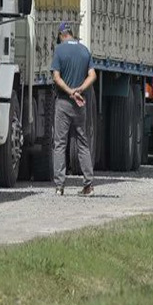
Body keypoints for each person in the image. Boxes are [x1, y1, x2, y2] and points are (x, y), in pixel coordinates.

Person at [51, 22, 97, 196]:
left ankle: (59, 186)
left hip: (63, 102)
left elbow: (56, 77)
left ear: (62, 35)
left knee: (60, 143)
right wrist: (80, 89)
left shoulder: (60, 50)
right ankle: (88, 184)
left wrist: (70, 91)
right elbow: (93, 75)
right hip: (80, 104)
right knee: (82, 142)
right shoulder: (84, 50)